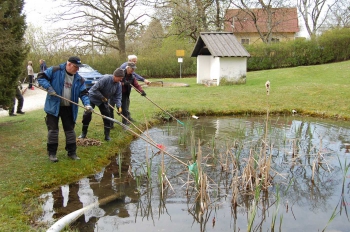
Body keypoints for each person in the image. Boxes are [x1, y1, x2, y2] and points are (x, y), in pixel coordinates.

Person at [37, 56, 93, 162]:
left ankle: (72, 152)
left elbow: (84, 93)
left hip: (69, 108)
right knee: (53, 131)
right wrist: (49, 88)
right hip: (53, 106)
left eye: (79, 67)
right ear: (69, 64)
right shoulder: (55, 70)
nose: (78, 69)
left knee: (70, 131)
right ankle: (52, 154)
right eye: (76, 67)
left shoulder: (79, 79)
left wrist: (87, 104)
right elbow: (41, 77)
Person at [78, 68, 123, 141]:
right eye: (120, 78)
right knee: (87, 114)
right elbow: (93, 90)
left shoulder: (118, 84)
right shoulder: (105, 79)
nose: (120, 80)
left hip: (103, 101)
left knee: (107, 116)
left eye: (122, 78)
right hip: (93, 98)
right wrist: (102, 97)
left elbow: (118, 96)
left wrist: (119, 106)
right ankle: (83, 133)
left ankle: (107, 136)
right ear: (115, 76)